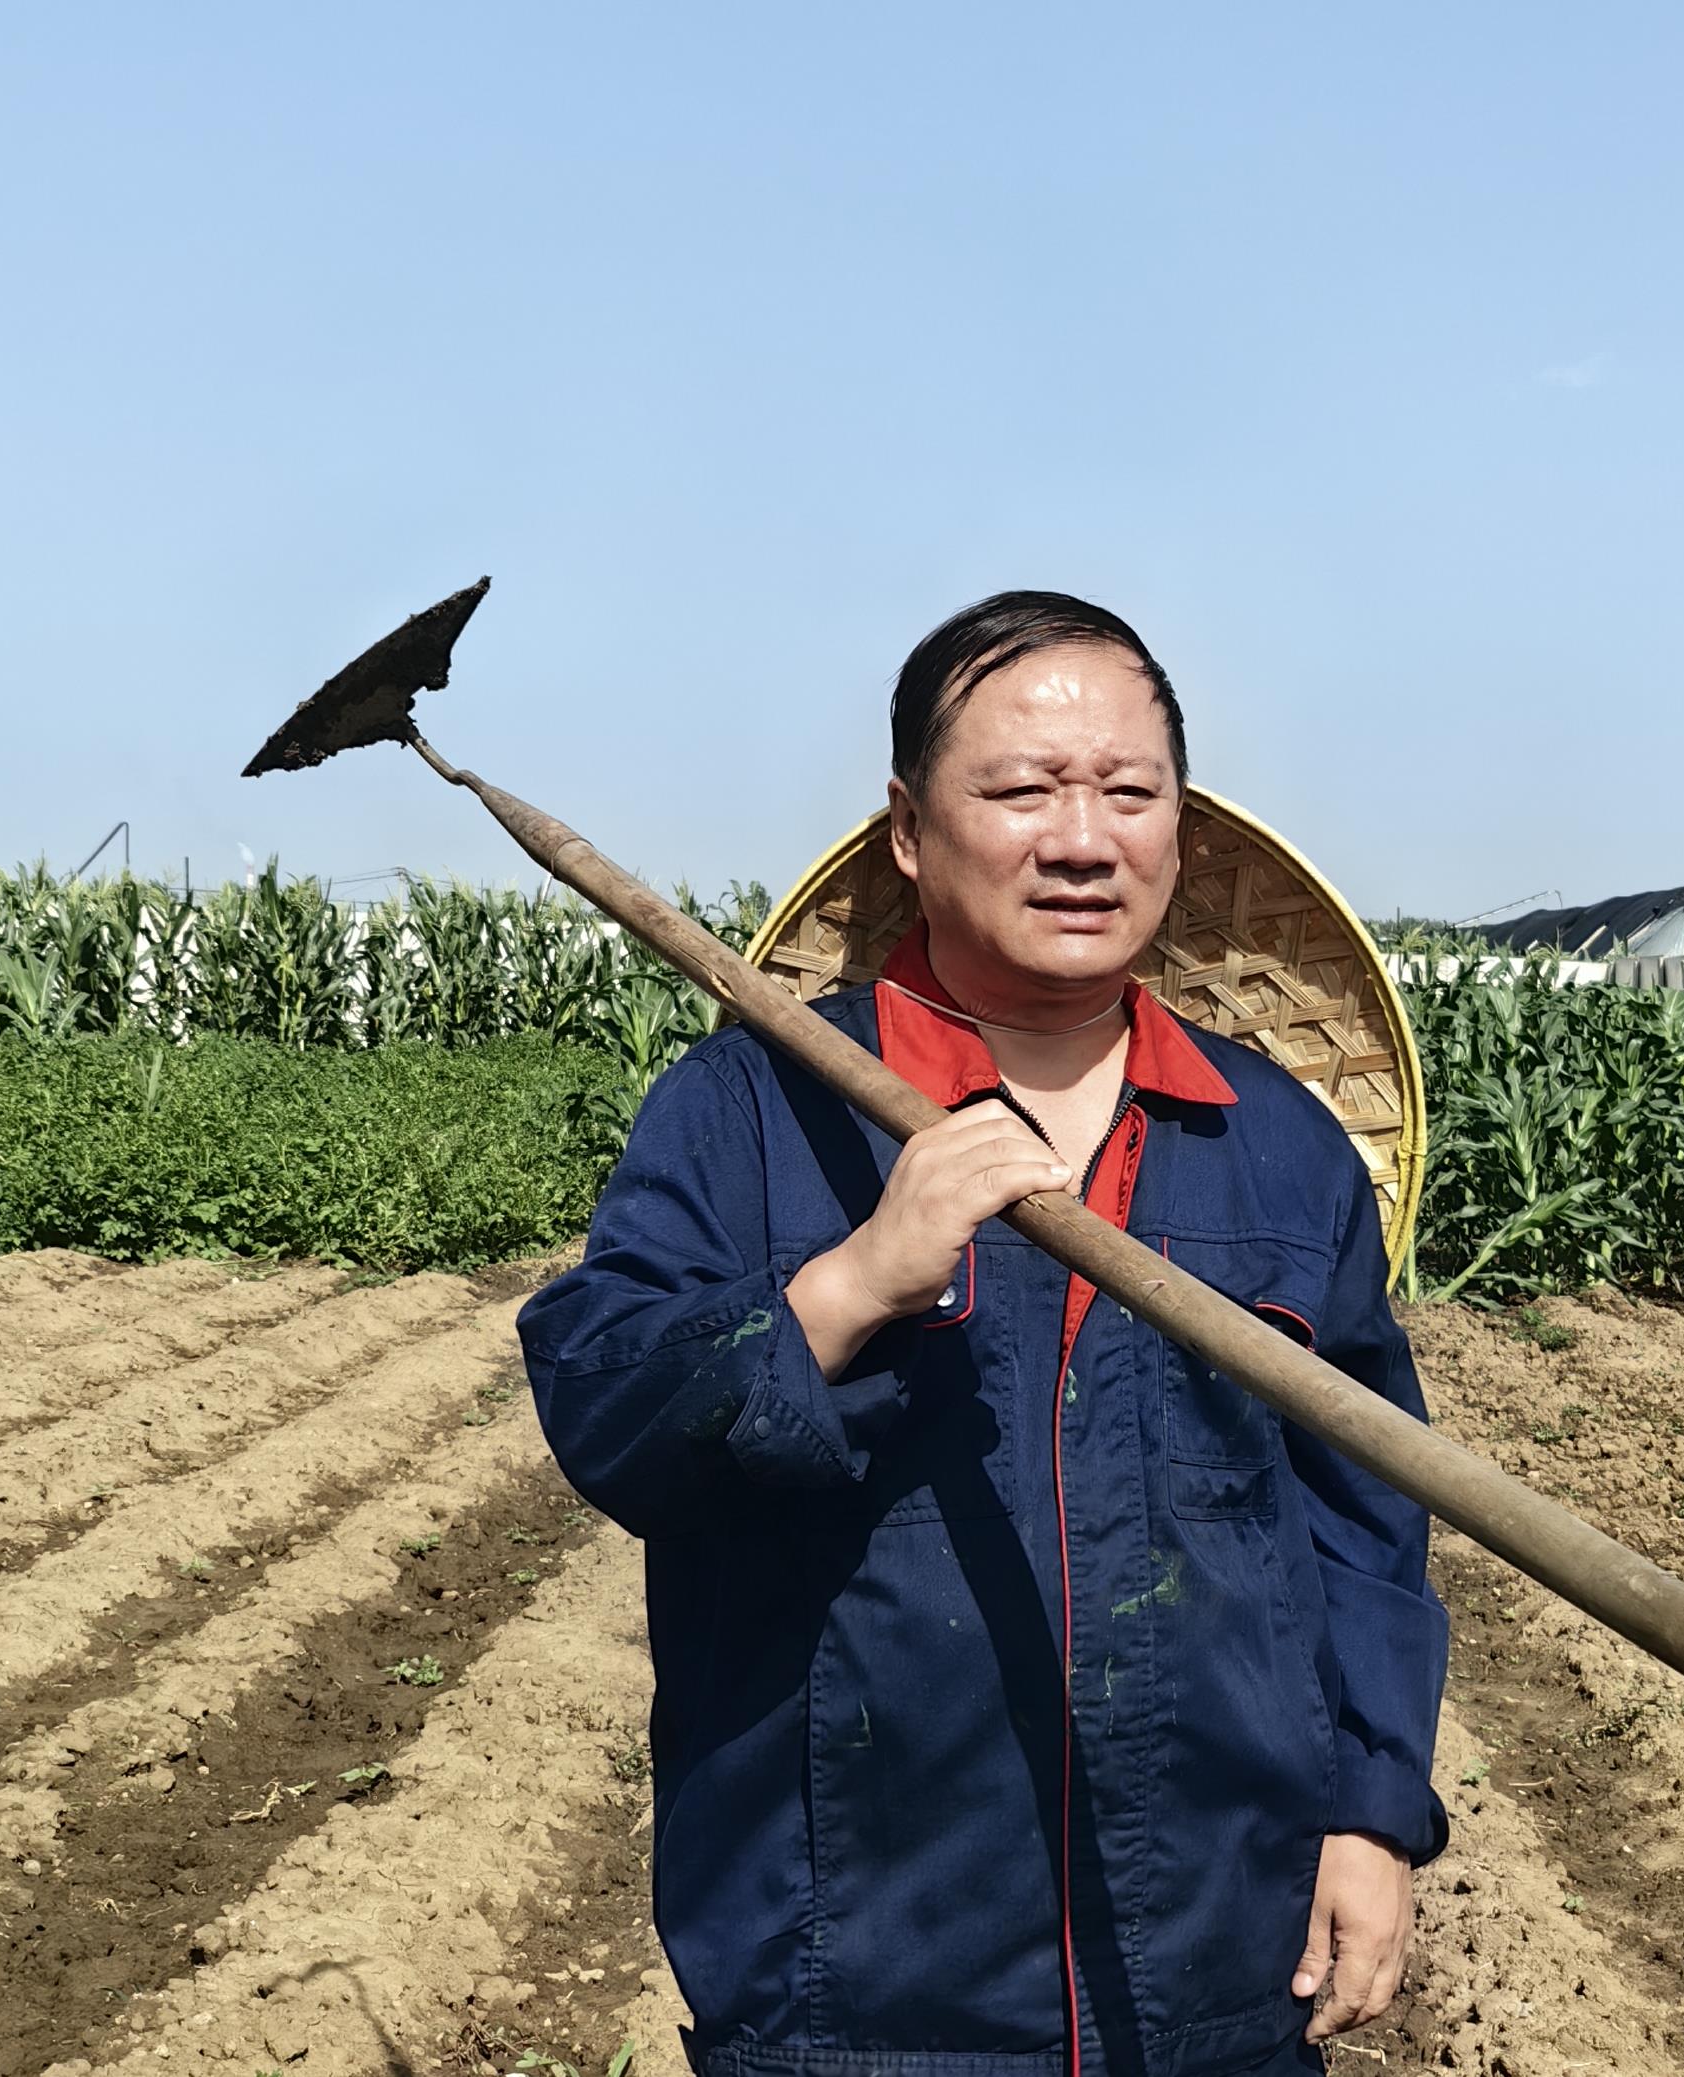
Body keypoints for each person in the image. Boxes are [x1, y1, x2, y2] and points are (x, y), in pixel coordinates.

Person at [519, 591, 1449, 2077]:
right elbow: (607, 1412)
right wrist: (853, 1280)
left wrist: (1372, 1808)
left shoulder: (1276, 1148)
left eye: (1129, 792)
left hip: (1211, 1981)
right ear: (908, 827)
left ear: (1179, 832)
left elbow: (1362, 1520)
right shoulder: (754, 1115)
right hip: (853, 1989)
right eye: (1020, 789)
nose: (1081, 837)